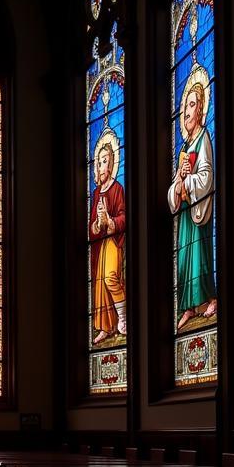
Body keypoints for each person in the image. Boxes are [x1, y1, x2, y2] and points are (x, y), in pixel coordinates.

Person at [167, 78, 217, 329]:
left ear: (201, 110)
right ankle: (188, 306)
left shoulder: (204, 138)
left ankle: (209, 297)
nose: (187, 110)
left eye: (192, 104)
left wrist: (187, 183)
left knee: (200, 255)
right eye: (185, 105)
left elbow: (208, 177)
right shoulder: (184, 149)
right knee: (185, 259)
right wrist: (179, 184)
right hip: (186, 213)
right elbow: (174, 188)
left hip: (199, 210)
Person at [90, 135, 126, 343]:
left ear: (112, 164)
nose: (101, 165)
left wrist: (109, 221)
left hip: (113, 240)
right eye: (99, 161)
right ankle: (105, 326)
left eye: (105, 161)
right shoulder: (96, 193)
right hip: (100, 244)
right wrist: (97, 222)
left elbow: (123, 216)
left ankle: (122, 318)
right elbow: (91, 225)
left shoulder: (117, 188)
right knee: (99, 283)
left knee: (111, 277)